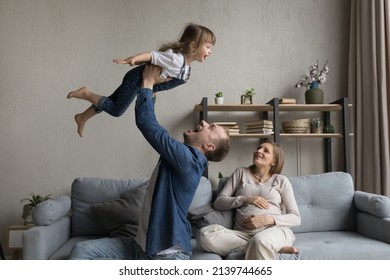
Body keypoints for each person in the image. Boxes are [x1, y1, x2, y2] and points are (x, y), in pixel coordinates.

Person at [69, 64, 230, 260]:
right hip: (141, 245)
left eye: (211, 127)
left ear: (209, 147)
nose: (204, 123)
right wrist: (151, 88)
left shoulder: (190, 160)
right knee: (82, 250)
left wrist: (147, 83)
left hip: (167, 254)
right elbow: (151, 120)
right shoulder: (181, 156)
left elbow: (148, 124)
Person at [67, 23, 215, 137]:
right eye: (208, 47)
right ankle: (86, 93)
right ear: (194, 45)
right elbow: (152, 55)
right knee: (117, 110)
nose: (210, 51)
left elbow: (163, 79)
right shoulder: (175, 59)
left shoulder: (186, 68)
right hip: (135, 80)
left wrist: (153, 92)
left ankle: (82, 117)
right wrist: (133, 59)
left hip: (145, 85)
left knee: (111, 100)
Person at [196, 141, 301, 260]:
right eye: (259, 148)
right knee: (204, 235)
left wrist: (266, 220)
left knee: (260, 240)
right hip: (241, 235)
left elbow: (295, 217)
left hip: (274, 231)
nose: (259, 151)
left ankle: (265, 245)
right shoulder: (240, 173)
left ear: (274, 161)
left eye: (265, 151)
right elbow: (219, 203)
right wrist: (245, 199)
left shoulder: (281, 181)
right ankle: (270, 247)